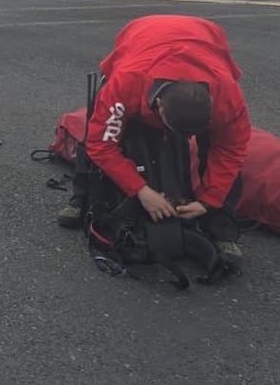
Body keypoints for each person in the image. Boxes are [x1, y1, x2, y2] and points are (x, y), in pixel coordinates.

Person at [57, 14, 249, 261]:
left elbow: (230, 152)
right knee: (97, 125)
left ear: (212, 103)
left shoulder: (228, 97)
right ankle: (81, 197)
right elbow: (101, 144)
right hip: (141, 37)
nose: (187, 138)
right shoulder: (125, 83)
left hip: (205, 37)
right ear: (158, 105)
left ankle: (221, 227)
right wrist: (141, 190)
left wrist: (209, 200)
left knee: (220, 150)